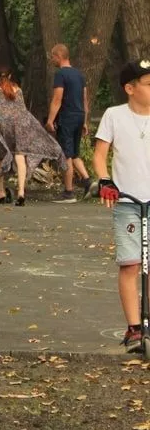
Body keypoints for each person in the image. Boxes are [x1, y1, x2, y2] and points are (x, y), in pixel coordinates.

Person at [93, 59, 150, 351]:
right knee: (131, 265)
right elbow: (100, 154)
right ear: (130, 88)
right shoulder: (114, 116)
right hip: (129, 202)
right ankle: (134, 328)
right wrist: (105, 180)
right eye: (148, 84)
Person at [0, 66, 63, 206]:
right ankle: (21, 192)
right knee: (20, 156)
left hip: (2, 128)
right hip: (19, 127)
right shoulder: (18, 89)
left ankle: (0, 192)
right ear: (10, 76)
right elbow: (23, 111)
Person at [45, 43, 92, 202]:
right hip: (79, 115)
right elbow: (85, 99)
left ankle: (69, 192)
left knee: (66, 155)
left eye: (53, 56)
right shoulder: (79, 75)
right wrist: (84, 121)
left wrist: (50, 120)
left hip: (67, 117)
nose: (52, 59)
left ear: (58, 56)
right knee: (75, 153)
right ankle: (88, 182)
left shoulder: (61, 74)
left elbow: (57, 99)